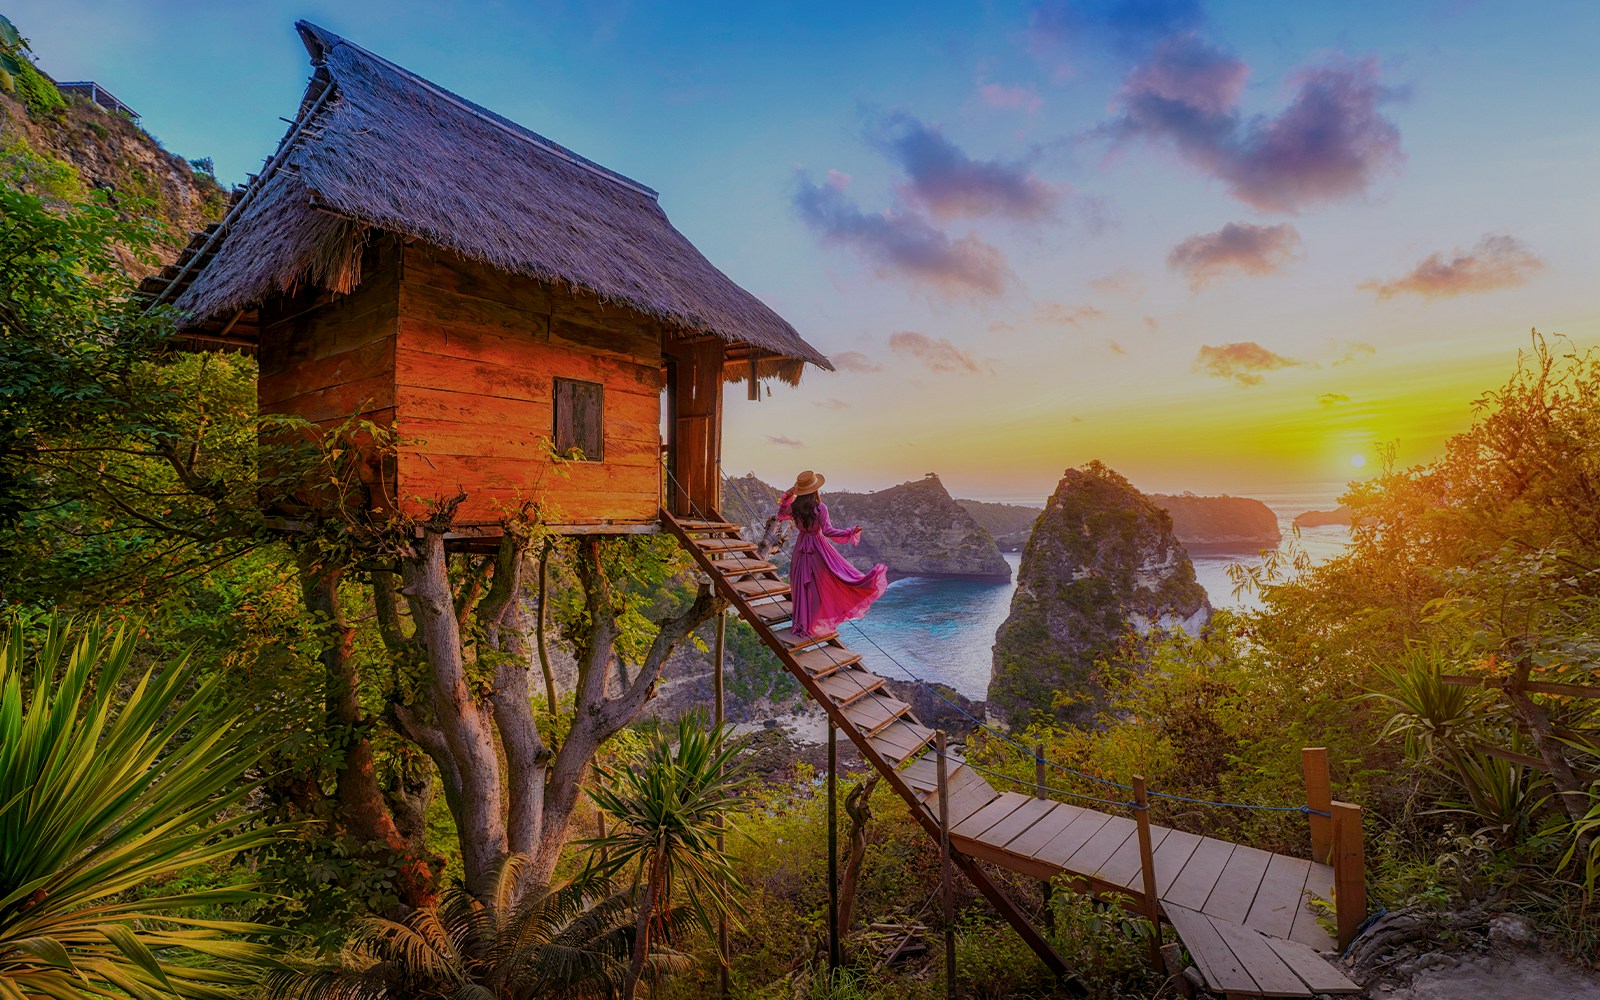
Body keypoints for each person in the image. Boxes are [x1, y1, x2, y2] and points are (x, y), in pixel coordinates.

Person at [777, 470, 888, 637]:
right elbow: (828, 531)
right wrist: (849, 533)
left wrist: (788, 495)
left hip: (801, 549)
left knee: (802, 585)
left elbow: (780, 514)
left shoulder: (795, 507)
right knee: (829, 581)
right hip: (818, 549)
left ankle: (802, 622)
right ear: (815, 490)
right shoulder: (820, 508)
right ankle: (814, 623)